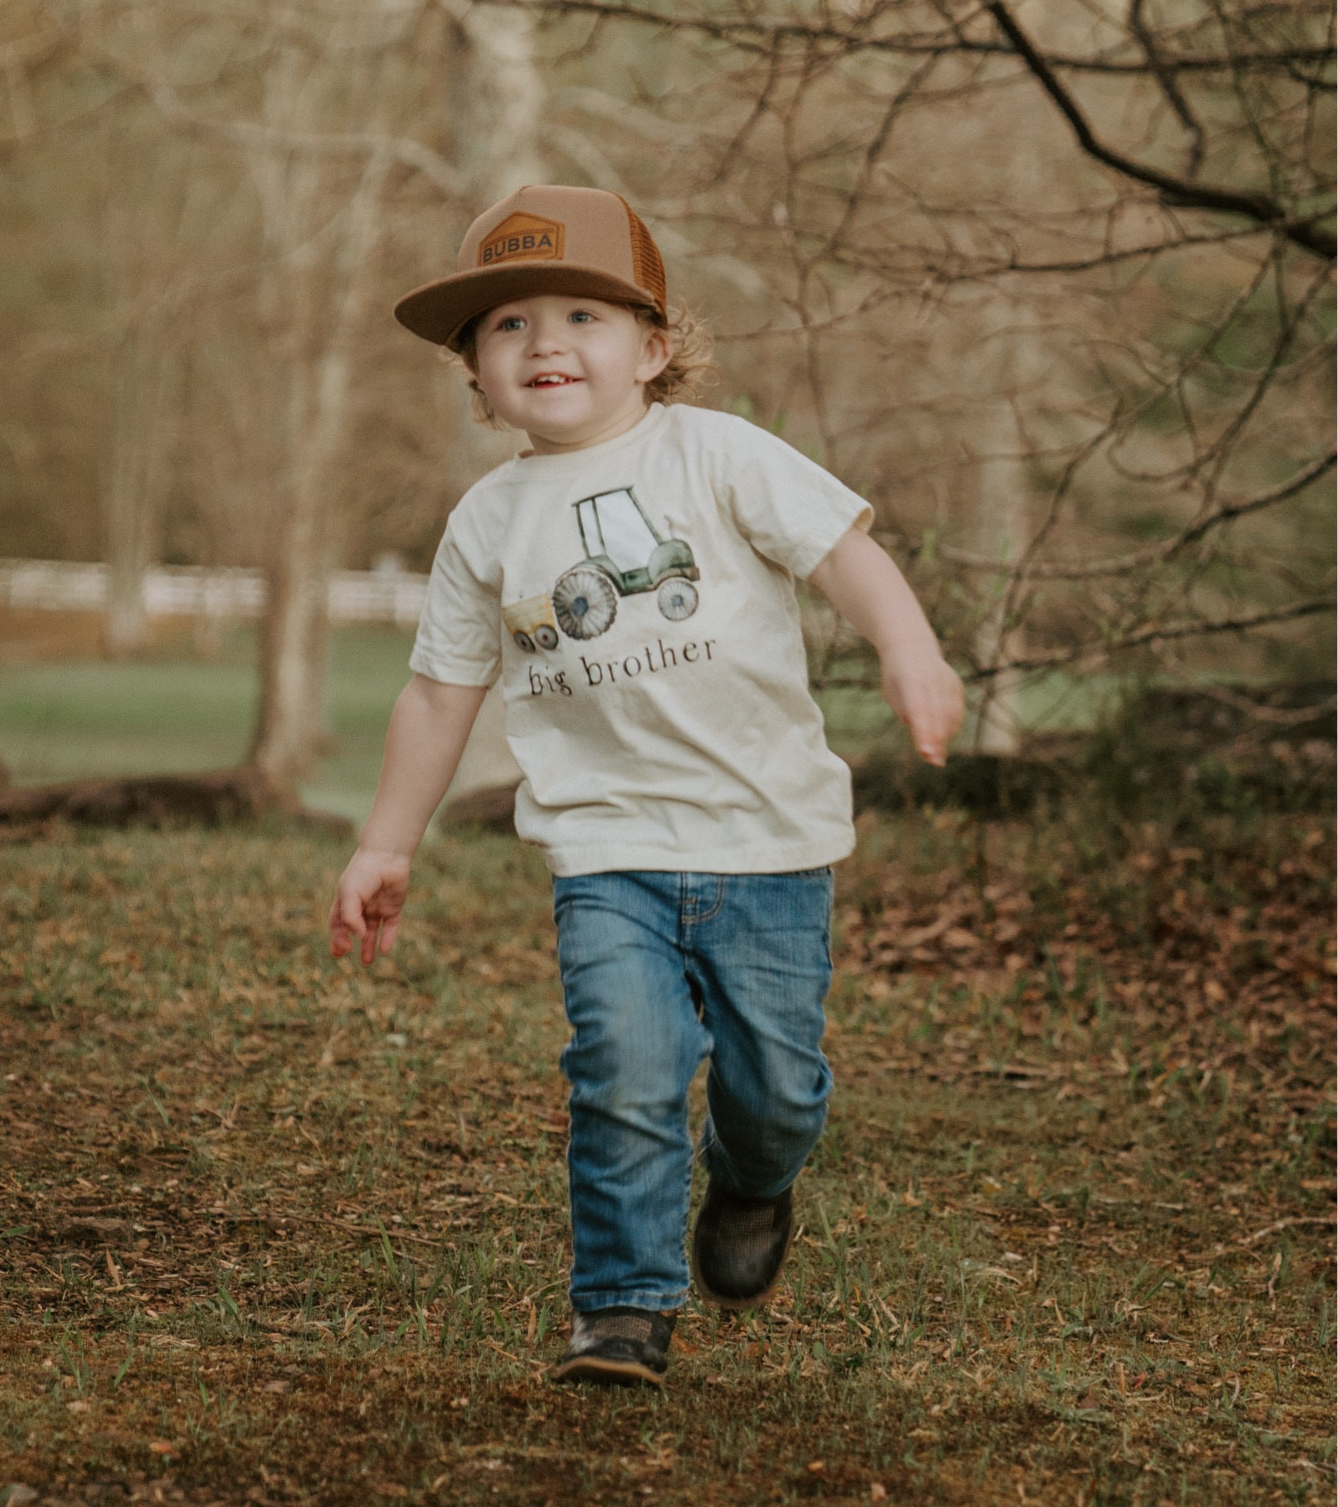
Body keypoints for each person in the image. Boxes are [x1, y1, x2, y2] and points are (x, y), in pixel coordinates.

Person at [329, 185, 965, 1387]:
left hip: (768, 840)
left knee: (775, 1087)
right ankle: (620, 1304)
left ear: (654, 346)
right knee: (621, 1069)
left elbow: (846, 553)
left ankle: (754, 1175)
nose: (547, 342)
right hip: (605, 850)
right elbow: (436, 693)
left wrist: (909, 645)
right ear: (475, 371)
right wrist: (383, 841)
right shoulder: (486, 518)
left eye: (582, 313)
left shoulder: (715, 453)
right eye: (508, 326)